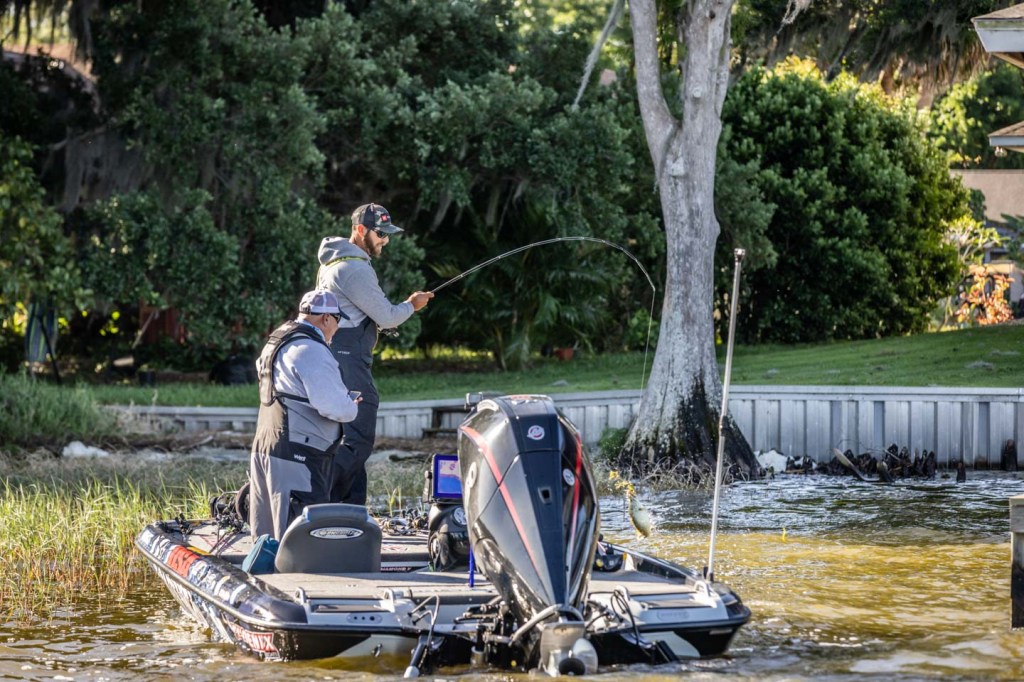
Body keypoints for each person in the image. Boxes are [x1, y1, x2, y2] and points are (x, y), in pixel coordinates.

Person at [317, 203, 433, 505]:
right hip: (349, 359)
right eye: (380, 234)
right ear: (360, 230)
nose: (385, 240)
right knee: (358, 439)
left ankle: (351, 509)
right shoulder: (354, 268)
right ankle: (313, 495)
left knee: (342, 438)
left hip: (336, 355)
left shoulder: (334, 262)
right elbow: (388, 316)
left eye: (387, 234)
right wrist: (412, 304)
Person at [249, 289, 362, 540]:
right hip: (298, 453)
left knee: (267, 531)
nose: (337, 328)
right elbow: (336, 407)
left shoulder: (278, 340)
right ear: (326, 318)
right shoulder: (311, 350)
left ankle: (263, 566)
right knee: (301, 536)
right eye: (338, 320)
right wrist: (351, 403)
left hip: (266, 445)